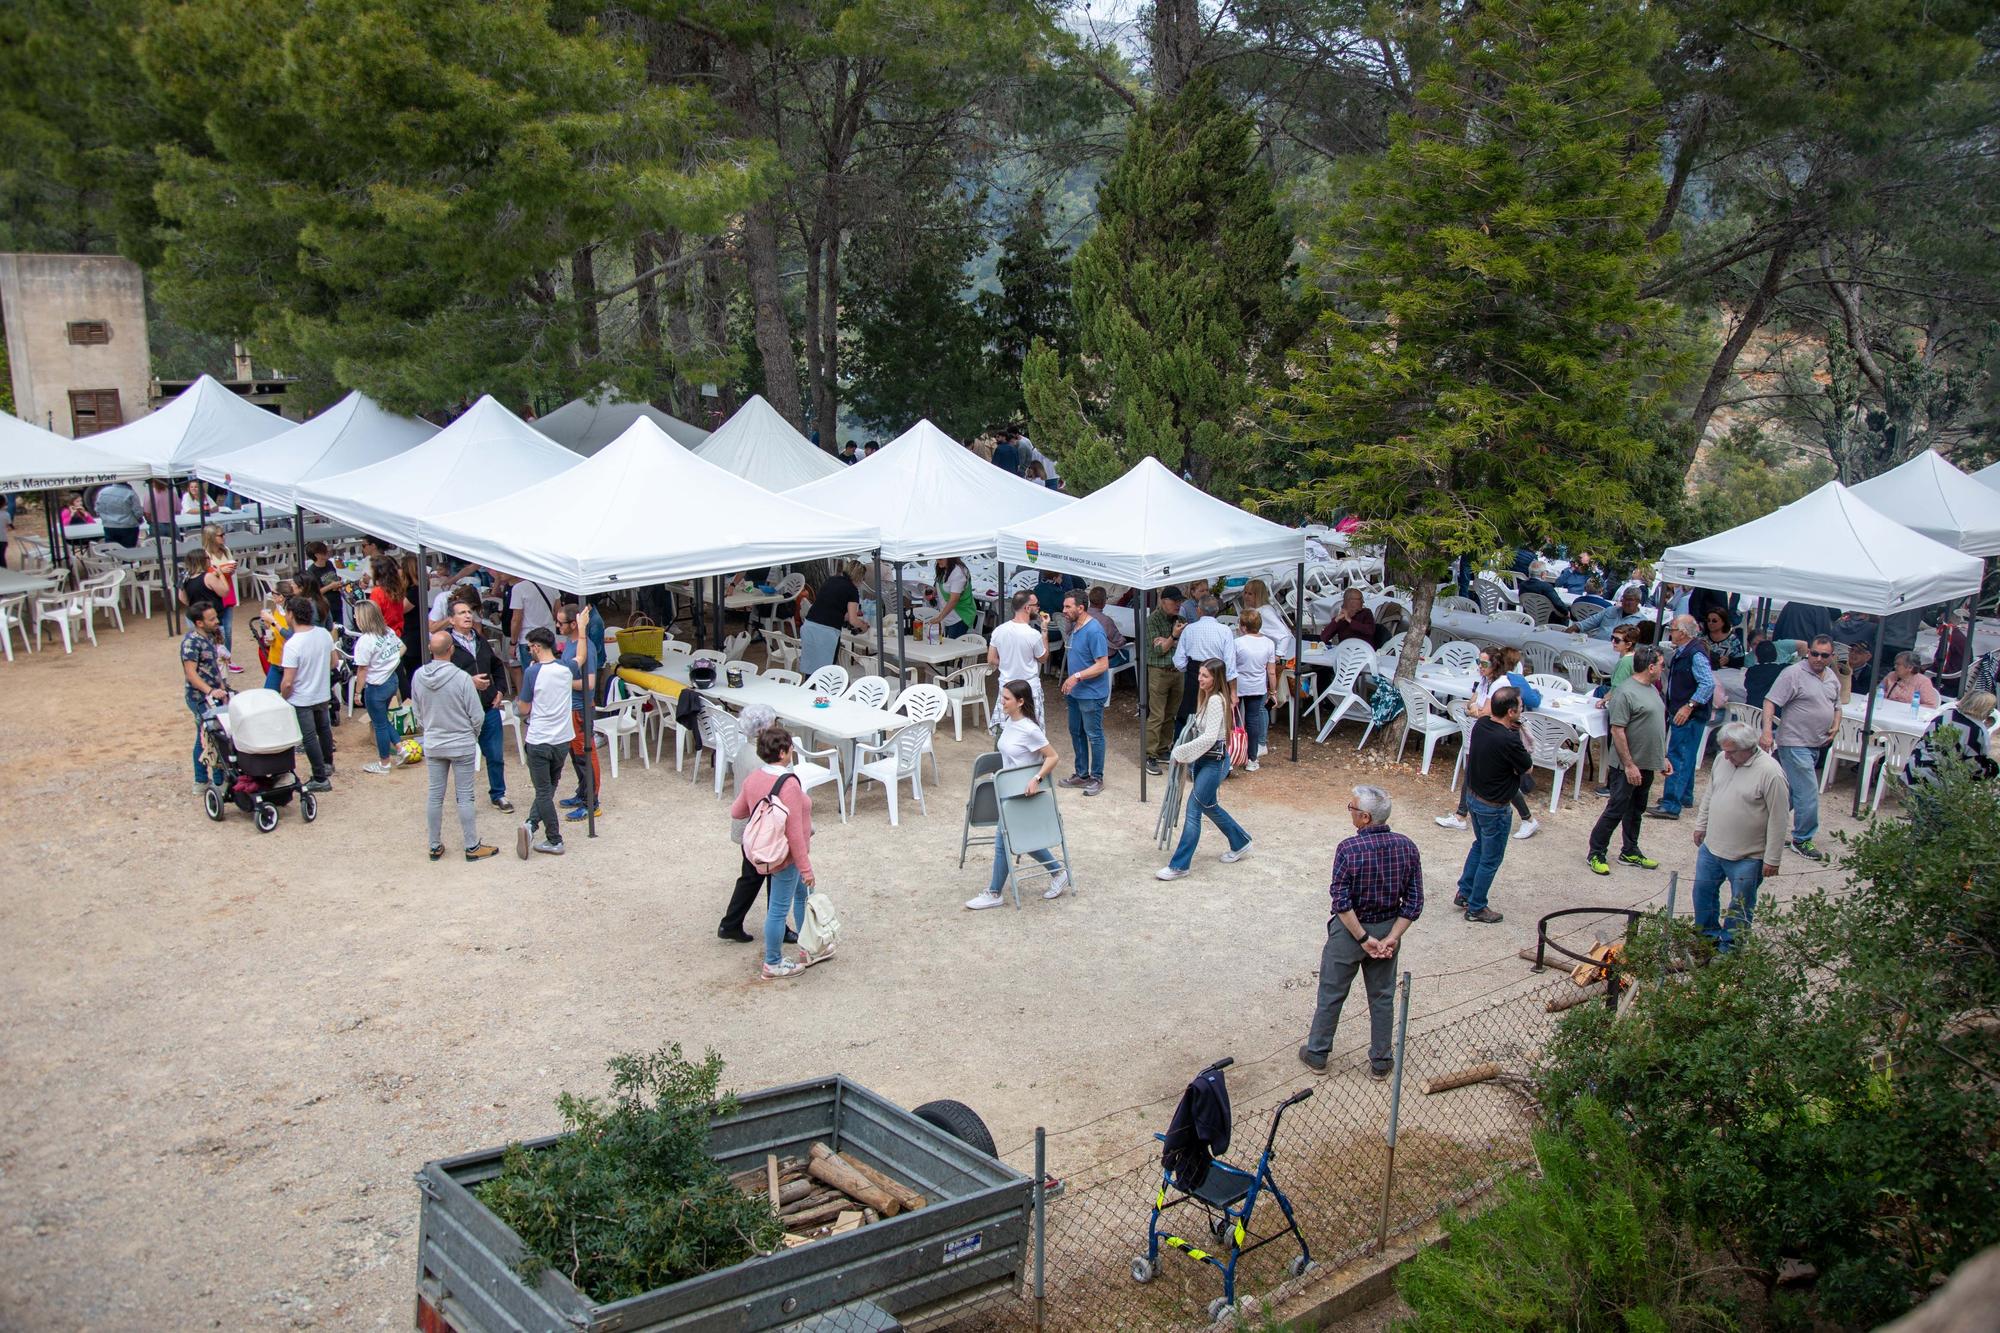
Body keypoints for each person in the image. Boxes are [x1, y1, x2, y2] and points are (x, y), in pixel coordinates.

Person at [1298, 785, 1422, 1079]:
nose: (1350, 812)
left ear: (1365, 817)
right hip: (1389, 927)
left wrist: (1364, 939)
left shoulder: (1349, 849)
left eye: (1352, 808)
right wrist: (1392, 937)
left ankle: (1317, 1053)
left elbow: (1340, 902)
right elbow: (1414, 901)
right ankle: (1381, 1061)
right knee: (1382, 996)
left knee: (1332, 992)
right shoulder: (1407, 846)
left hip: (1350, 931)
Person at [966, 680, 1071, 909]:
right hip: (1007, 789)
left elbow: (1052, 757)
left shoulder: (1030, 729)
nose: (1001, 702)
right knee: (1016, 838)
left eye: (1006, 699)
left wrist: (1036, 779)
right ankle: (1058, 872)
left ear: (1020, 702)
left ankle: (994, 892)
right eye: (1002, 697)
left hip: (1021, 792)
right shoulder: (1009, 722)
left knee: (1005, 840)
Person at [729, 725, 819, 978]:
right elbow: (794, 834)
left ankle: (807, 947)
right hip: (786, 855)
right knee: (779, 909)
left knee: (802, 895)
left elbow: (737, 812)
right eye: (790, 748)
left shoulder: (755, 777)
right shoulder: (788, 784)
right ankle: (773, 961)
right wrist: (806, 867)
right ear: (782, 753)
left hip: (766, 850)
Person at [1691, 721, 1788, 951]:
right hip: (1712, 847)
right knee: (1702, 893)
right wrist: (1701, 824)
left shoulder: (1771, 773)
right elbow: (1710, 793)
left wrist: (1772, 858)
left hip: (1748, 856)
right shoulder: (1721, 760)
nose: (1726, 757)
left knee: (1740, 906)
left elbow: (1779, 818)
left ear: (1748, 748)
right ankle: (1707, 939)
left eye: (1731, 752)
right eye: (1724, 751)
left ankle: (1730, 948)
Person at [1156, 659, 1252, 880]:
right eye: (1199, 674)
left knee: (1193, 811)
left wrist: (1179, 752)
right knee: (1208, 805)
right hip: (1206, 760)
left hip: (1213, 761)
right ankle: (1241, 841)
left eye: (1205, 676)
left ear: (1215, 679)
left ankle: (1179, 865)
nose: (1200, 679)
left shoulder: (1216, 700)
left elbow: (1209, 738)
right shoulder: (1210, 697)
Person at [412, 631, 499, 861]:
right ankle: (471, 845)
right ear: (451, 649)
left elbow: (417, 711)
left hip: (435, 742)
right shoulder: (461, 678)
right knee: (465, 796)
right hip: (461, 742)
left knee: (435, 795)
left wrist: (430, 729)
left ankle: (434, 844)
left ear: (431, 649)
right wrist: (471, 734)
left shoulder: (419, 676)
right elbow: (477, 714)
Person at [1437, 648, 1543, 838]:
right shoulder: (1486, 680)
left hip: (1499, 735)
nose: (1480, 667)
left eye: (1484, 663)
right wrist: (1474, 708)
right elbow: (1472, 702)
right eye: (1479, 662)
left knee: (1498, 779)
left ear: (1495, 664)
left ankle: (1528, 819)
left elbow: (1484, 711)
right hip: (1485, 732)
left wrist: (1474, 709)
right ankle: (1461, 815)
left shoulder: (1500, 684)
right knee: (1472, 770)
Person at [1588, 645, 1670, 876]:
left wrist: (1662, 756)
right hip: (1627, 766)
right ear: (1651, 667)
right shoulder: (1626, 692)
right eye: (1661, 664)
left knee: (1636, 810)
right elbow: (1618, 730)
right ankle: (1596, 852)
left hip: (1647, 763)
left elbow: (1655, 727)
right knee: (1616, 808)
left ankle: (1630, 850)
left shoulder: (1652, 689)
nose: (1663, 668)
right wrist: (1629, 765)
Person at [1760, 634, 1840, 862]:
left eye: (1824, 655)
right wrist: (1767, 732)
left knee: (1791, 793)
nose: (1818, 658)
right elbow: (1770, 701)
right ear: (1808, 652)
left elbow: (1837, 705)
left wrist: (1835, 724)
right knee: (1808, 792)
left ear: (1831, 656)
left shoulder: (1831, 676)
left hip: (1816, 743)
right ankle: (1802, 838)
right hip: (1794, 743)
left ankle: (1762, 825)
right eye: (1814, 653)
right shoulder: (1793, 673)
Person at [1455, 686, 1530, 923]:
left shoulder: (1482, 725)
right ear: (1510, 712)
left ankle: (1465, 892)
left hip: (1474, 798)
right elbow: (1527, 767)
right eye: (1519, 707)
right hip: (1494, 807)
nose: (1521, 711)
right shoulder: (1508, 740)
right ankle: (1476, 907)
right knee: (1491, 857)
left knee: (1480, 846)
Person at [719, 704, 791, 942]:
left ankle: (732, 923)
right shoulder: (762, 762)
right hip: (762, 829)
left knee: (751, 877)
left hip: (749, 827)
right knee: (772, 876)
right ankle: (776, 926)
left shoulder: (744, 751)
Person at [449, 596, 514, 813]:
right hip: (461, 711)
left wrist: (500, 690)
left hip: (487, 707)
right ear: (451, 620)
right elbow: (442, 677)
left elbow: (497, 666)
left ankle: (499, 794)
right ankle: (464, 799)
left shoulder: (480, 639)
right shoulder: (446, 645)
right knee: (463, 758)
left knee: (495, 754)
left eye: (469, 612)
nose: (467, 615)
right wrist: (469, 681)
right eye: (461, 613)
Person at [515, 627, 574, 857]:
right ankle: (531, 825)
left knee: (542, 790)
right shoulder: (566, 668)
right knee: (550, 786)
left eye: (530, 647)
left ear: (537, 647)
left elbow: (524, 707)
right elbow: (580, 657)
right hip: (562, 740)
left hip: (539, 738)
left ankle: (554, 838)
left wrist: (518, 705)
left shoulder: (533, 673)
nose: (530, 650)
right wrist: (583, 623)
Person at [1651, 616, 1717, 820]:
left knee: (1678, 756)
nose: (1671, 631)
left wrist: (1689, 706)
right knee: (1686, 755)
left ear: (1684, 632)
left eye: (1673, 628)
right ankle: (1684, 796)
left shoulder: (1695, 654)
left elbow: (1707, 683)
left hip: (1689, 714)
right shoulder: (1689, 651)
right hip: (1687, 712)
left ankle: (1671, 803)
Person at [278, 595, 336, 792]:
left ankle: (319, 777)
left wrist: (282, 698)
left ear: (292, 614)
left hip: (301, 697)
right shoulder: (323, 634)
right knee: (324, 729)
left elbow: (287, 682)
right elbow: (334, 662)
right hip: (321, 692)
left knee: (309, 737)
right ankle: (328, 765)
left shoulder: (293, 644)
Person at [1058, 590, 1111, 795]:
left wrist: (1076, 677)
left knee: (1094, 735)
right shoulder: (1075, 627)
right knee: (1076, 732)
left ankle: (1097, 777)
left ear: (1081, 608)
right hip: (1075, 693)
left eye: (1068, 607)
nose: (1064, 611)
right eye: (1064, 606)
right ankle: (1082, 774)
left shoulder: (1094, 631)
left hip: (1091, 693)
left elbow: (1102, 665)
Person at [554, 603, 602, 823]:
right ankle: (582, 794)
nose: (557, 626)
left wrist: (560, 679)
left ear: (574, 624)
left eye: (560, 622)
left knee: (585, 755)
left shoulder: (586, 648)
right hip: (572, 708)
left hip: (581, 709)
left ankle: (592, 803)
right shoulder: (572, 644)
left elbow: (590, 683)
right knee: (576, 756)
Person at [350, 600, 406, 774]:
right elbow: (402, 647)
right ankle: (400, 748)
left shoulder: (365, 641)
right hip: (391, 679)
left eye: (356, 614)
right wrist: (390, 663)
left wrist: (358, 692)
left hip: (376, 686)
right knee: (383, 719)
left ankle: (384, 763)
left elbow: (362, 669)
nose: (354, 617)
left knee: (379, 724)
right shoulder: (387, 631)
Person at [180, 600, 229, 791]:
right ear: (199, 623)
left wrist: (223, 688)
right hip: (200, 698)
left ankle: (216, 779)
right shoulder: (191, 643)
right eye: (212, 619)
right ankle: (203, 781)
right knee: (206, 737)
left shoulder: (209, 636)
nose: (217, 621)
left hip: (214, 695)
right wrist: (210, 691)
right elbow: (191, 674)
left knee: (214, 736)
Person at [1903, 691, 1998, 786]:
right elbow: (1974, 765)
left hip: (1912, 770)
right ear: (1985, 709)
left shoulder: (1946, 713)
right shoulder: (1977, 730)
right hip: (1938, 782)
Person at [1173, 595, 1237, 735]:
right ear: (1217, 611)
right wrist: (1233, 692)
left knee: (1188, 712)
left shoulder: (1189, 629)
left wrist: (1189, 669)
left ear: (1199, 610)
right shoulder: (1225, 631)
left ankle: (1180, 747)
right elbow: (1230, 665)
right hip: (1216, 675)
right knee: (1215, 715)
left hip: (1195, 674)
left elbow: (1178, 661)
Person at [990, 591, 1051, 721]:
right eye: (1036, 605)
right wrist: (1044, 631)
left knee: (1005, 731)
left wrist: (1008, 663)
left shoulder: (998, 630)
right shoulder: (1033, 634)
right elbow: (1043, 658)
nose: (1038, 608)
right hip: (1029, 690)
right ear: (1027, 608)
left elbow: (991, 659)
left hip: (1006, 688)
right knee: (1031, 733)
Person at [1143, 587, 1184, 775]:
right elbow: (1158, 650)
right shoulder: (1153, 620)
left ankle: (1163, 749)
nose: (1178, 604)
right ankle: (1149, 754)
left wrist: (1169, 641)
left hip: (1177, 671)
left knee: (1171, 713)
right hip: (1159, 671)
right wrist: (1174, 637)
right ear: (1162, 600)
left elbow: (1184, 643)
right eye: (1174, 601)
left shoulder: (1179, 619)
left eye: (1179, 601)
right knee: (1157, 714)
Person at [801, 563, 866, 675]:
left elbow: (831, 607)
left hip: (809, 625)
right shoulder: (852, 590)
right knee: (825, 671)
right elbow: (853, 620)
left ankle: (809, 691)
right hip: (825, 632)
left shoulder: (831, 580)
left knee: (810, 669)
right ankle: (823, 692)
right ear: (859, 577)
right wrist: (863, 626)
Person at [1233, 609, 1278, 771]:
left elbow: (1231, 667)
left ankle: (1233, 755)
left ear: (1243, 627)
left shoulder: (1238, 642)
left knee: (1234, 720)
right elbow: (1271, 671)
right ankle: (1252, 758)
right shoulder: (1269, 643)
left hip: (1237, 685)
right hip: (1257, 686)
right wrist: (1273, 691)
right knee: (1253, 721)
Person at [200, 527, 243, 671]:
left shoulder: (226, 550)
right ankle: (215, 657)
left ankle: (227, 658)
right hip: (213, 593)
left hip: (227, 589)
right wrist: (219, 571)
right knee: (216, 627)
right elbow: (203, 573)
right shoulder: (204, 554)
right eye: (220, 535)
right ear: (212, 537)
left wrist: (230, 569)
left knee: (228, 628)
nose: (223, 537)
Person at [507, 575, 560, 668]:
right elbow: (558, 613)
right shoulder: (552, 585)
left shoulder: (519, 588)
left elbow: (516, 619)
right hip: (549, 636)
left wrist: (513, 643)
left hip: (528, 638)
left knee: (532, 676)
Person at [922, 558, 978, 640]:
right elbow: (942, 586)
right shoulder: (943, 568)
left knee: (955, 648)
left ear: (950, 558)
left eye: (940, 559)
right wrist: (933, 592)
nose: (937, 562)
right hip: (947, 616)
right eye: (936, 559)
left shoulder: (958, 572)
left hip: (960, 616)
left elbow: (954, 599)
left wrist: (940, 618)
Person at [1240, 579, 1294, 660]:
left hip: (1281, 655)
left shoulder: (1265, 612)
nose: (1246, 596)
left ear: (1258, 596)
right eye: (1245, 593)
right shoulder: (1252, 609)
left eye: (1250, 594)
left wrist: (1278, 655)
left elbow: (1285, 635)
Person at [300, 541, 347, 627]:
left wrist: (338, 584)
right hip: (325, 605)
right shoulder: (312, 571)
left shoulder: (329, 564)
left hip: (337, 601)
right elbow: (314, 593)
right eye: (324, 552)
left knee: (340, 628)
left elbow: (334, 578)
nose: (327, 553)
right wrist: (330, 586)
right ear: (317, 555)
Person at [1572, 588, 1645, 640]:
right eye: (1624, 598)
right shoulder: (1610, 610)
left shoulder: (1642, 622)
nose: (1626, 602)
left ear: (1638, 601)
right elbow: (1586, 623)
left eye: (1630, 600)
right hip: (1596, 647)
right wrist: (1571, 629)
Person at [1085, 586, 1130, 670]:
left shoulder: (1080, 616)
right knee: (1131, 652)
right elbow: (1119, 642)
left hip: (1084, 656)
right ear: (1104, 602)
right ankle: (1129, 681)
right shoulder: (1106, 621)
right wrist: (1125, 640)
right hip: (1103, 659)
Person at [1927, 607, 1968, 693]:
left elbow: (1941, 663)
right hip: (1960, 677)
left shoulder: (1948, 637)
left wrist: (1925, 669)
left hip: (1949, 680)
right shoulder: (1958, 635)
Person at [94, 481, 141, 547]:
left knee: (112, 550)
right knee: (129, 552)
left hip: (109, 526)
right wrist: (140, 519)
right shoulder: (130, 493)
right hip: (128, 527)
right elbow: (138, 511)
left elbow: (97, 510)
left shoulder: (103, 492)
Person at [1742, 637, 1785, 708]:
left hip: (1751, 712)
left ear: (1757, 656)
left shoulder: (1751, 671)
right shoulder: (1781, 669)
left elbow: (1747, 686)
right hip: (1773, 714)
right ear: (1776, 655)